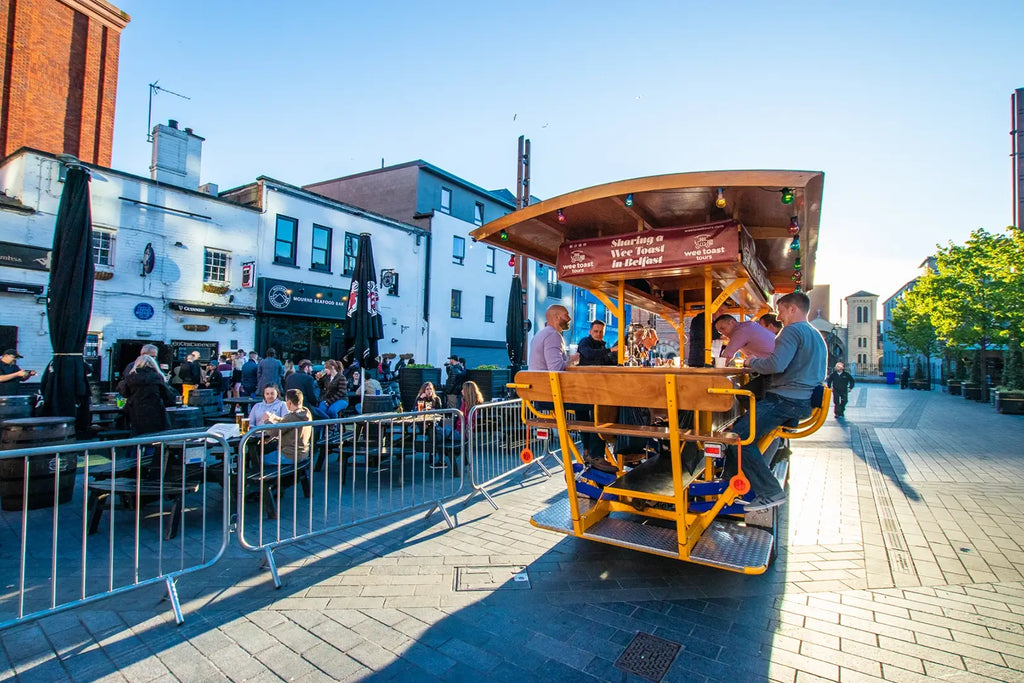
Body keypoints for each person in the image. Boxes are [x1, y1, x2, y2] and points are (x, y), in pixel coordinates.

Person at [724, 291, 827, 512]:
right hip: (802, 401)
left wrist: (751, 361)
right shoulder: (815, 334)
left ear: (793, 308)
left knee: (738, 436)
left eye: (780, 310)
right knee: (745, 423)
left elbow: (776, 365)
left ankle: (769, 491)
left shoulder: (791, 331)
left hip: (785, 400)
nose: (778, 316)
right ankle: (732, 482)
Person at [120, 355, 177, 436]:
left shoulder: (130, 377)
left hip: (135, 411)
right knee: (154, 437)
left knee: (136, 436)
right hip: (155, 411)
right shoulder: (157, 377)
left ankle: (135, 448)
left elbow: (124, 393)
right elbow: (168, 397)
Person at [260, 389, 313, 466]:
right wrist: (276, 418)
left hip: (289, 455)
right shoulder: (306, 412)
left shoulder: (292, 417)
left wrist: (267, 420)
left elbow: (273, 432)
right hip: (303, 453)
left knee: (258, 460)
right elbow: (289, 421)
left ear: (289, 402)